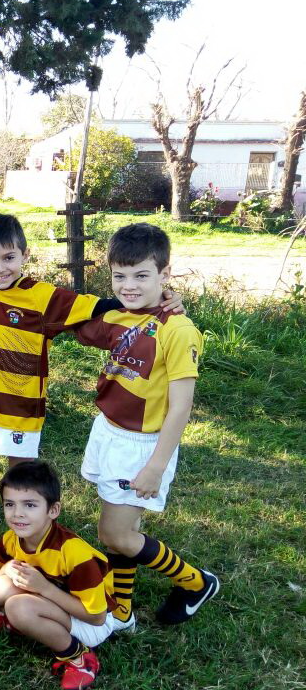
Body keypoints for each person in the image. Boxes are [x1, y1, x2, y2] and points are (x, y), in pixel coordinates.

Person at [0, 214, 183, 558]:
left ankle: (26, 551)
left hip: (19, 410)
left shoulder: (43, 297)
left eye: (9, 258)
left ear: (25, 255)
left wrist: (163, 301)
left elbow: (100, 306)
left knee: (22, 483)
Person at [74, 223, 218, 627]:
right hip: (108, 430)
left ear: (164, 274)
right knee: (120, 523)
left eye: (141, 276)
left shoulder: (179, 330)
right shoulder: (119, 314)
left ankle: (196, 582)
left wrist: (155, 465)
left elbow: (181, 407)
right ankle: (121, 608)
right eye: (120, 276)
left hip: (142, 445)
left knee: (116, 534)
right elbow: (69, 318)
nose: (129, 286)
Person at [0, 461, 120, 690]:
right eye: (9, 504)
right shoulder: (10, 539)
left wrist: (44, 588)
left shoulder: (75, 554)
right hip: (53, 603)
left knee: (17, 607)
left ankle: (79, 657)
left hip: (92, 621)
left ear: (53, 510)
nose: (18, 513)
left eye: (30, 505)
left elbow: (97, 617)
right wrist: (6, 569)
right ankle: (22, 622)